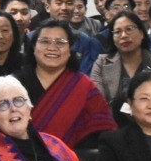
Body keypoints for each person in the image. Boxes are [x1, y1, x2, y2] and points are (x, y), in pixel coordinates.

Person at [15, 20, 116, 149]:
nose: (52, 48)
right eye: (45, 41)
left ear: (70, 49)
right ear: (34, 47)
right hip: (20, 157)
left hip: (75, 158)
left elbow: (104, 131)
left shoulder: (84, 86)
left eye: (60, 42)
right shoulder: (14, 85)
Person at [90, 11, 151, 105]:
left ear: (142, 33)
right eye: (117, 32)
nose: (124, 35)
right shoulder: (102, 63)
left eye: (129, 29)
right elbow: (97, 102)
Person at [39, 0, 103, 74]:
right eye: (59, 3)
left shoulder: (85, 42)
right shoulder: (34, 38)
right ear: (47, 7)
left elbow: (86, 75)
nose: (64, 8)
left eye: (69, 3)